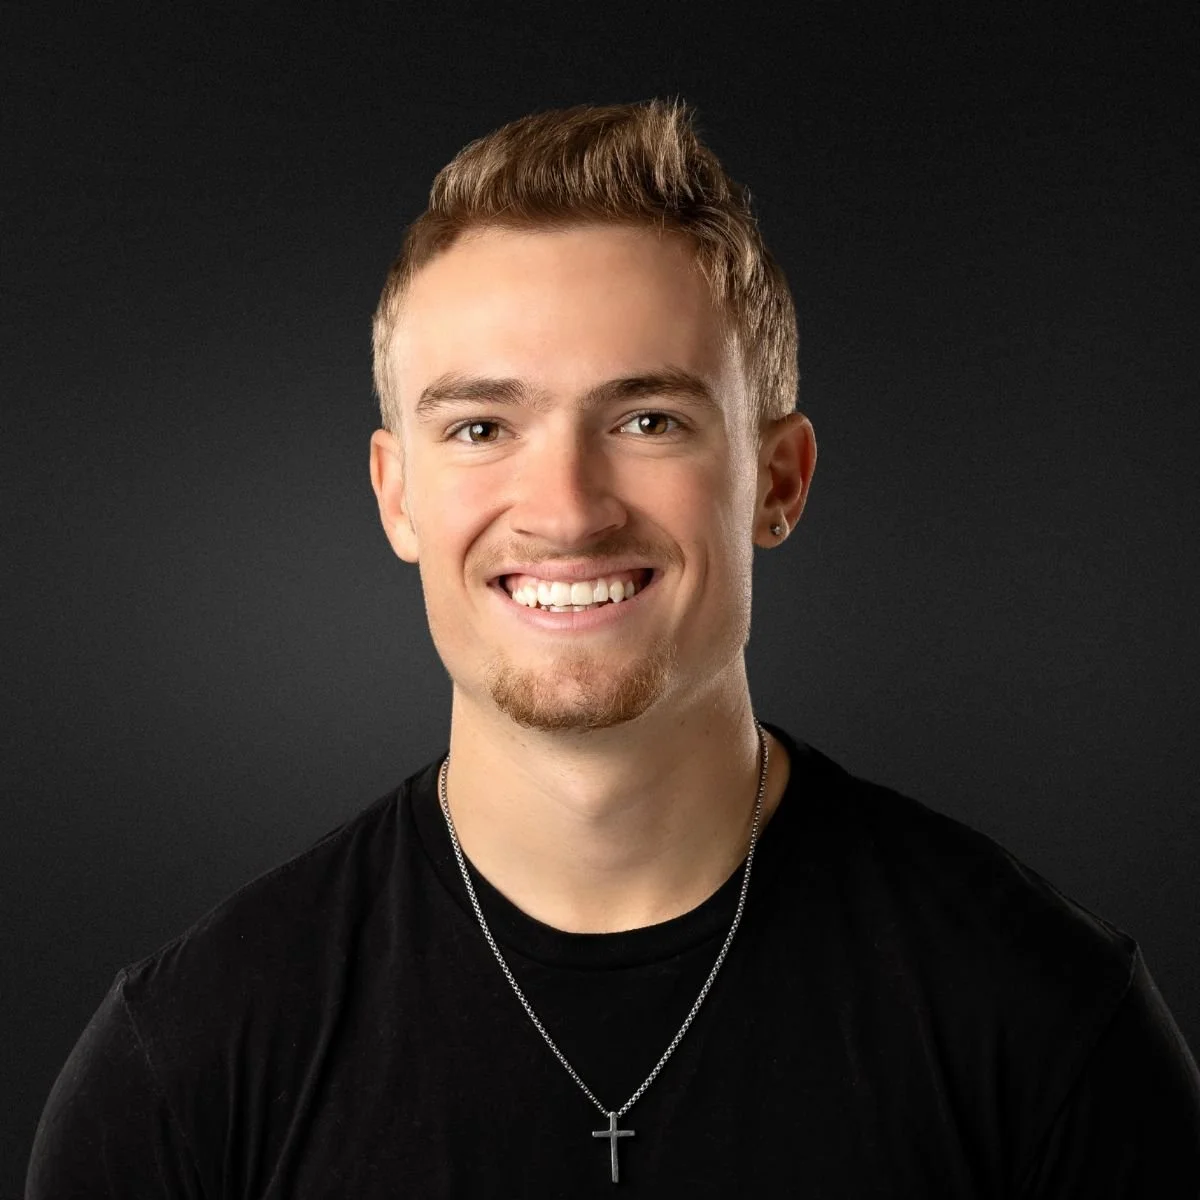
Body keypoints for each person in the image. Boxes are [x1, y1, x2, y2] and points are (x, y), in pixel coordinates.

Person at [28, 98, 1200, 1197]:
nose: (568, 509)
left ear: (778, 480)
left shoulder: (1047, 1019)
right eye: (481, 426)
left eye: (648, 420)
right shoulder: (183, 1061)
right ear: (396, 495)